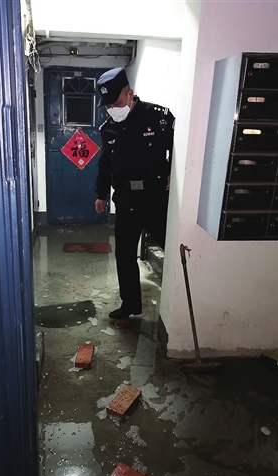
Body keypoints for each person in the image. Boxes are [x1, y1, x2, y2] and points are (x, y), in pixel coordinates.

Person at [94, 67, 175, 320]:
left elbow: (180, 147)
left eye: (116, 103)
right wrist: (100, 194)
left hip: (156, 198)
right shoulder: (108, 129)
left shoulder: (159, 117)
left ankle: (177, 306)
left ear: (130, 94)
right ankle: (130, 304)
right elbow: (105, 164)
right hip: (126, 200)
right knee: (124, 255)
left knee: (173, 249)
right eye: (108, 106)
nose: (112, 109)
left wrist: (173, 172)